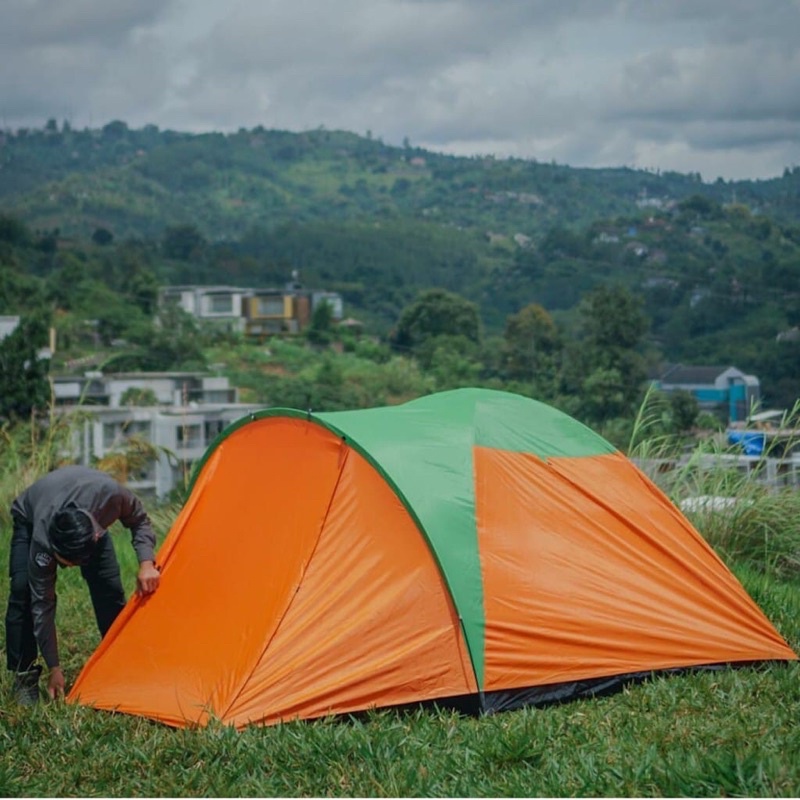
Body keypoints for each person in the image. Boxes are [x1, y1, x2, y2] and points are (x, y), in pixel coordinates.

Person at [5, 465, 161, 705]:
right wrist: (54, 667)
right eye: (65, 563)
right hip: (31, 515)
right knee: (23, 591)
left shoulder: (112, 497)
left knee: (109, 590)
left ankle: (120, 664)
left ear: (96, 536)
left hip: (87, 514)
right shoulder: (42, 539)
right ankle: (24, 677)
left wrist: (146, 563)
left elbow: (139, 519)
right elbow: (43, 605)